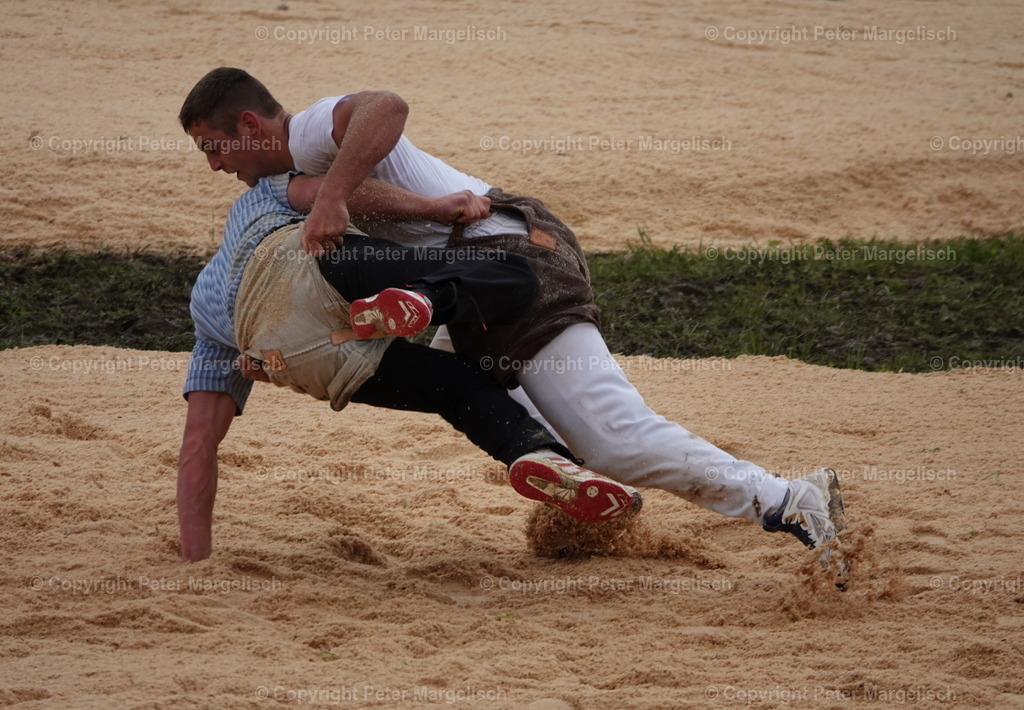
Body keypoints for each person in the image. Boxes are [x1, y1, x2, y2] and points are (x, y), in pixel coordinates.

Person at [179, 68, 849, 584]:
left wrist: (329, 198)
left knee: (614, 438)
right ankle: (587, 518)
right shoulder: (283, 187)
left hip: (505, 257)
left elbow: (386, 105)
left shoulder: (308, 131)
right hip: (456, 294)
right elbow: (360, 205)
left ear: (247, 123)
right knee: (547, 441)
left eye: (214, 148)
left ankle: (789, 498)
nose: (213, 166)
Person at [176, 172, 646, 563]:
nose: (221, 165)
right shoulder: (257, 199)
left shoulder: (204, 312)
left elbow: (198, 444)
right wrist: (433, 207)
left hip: (283, 353)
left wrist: (195, 560)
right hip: (304, 267)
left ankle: (545, 460)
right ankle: (428, 299)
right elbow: (334, 192)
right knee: (514, 277)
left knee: (457, 385)